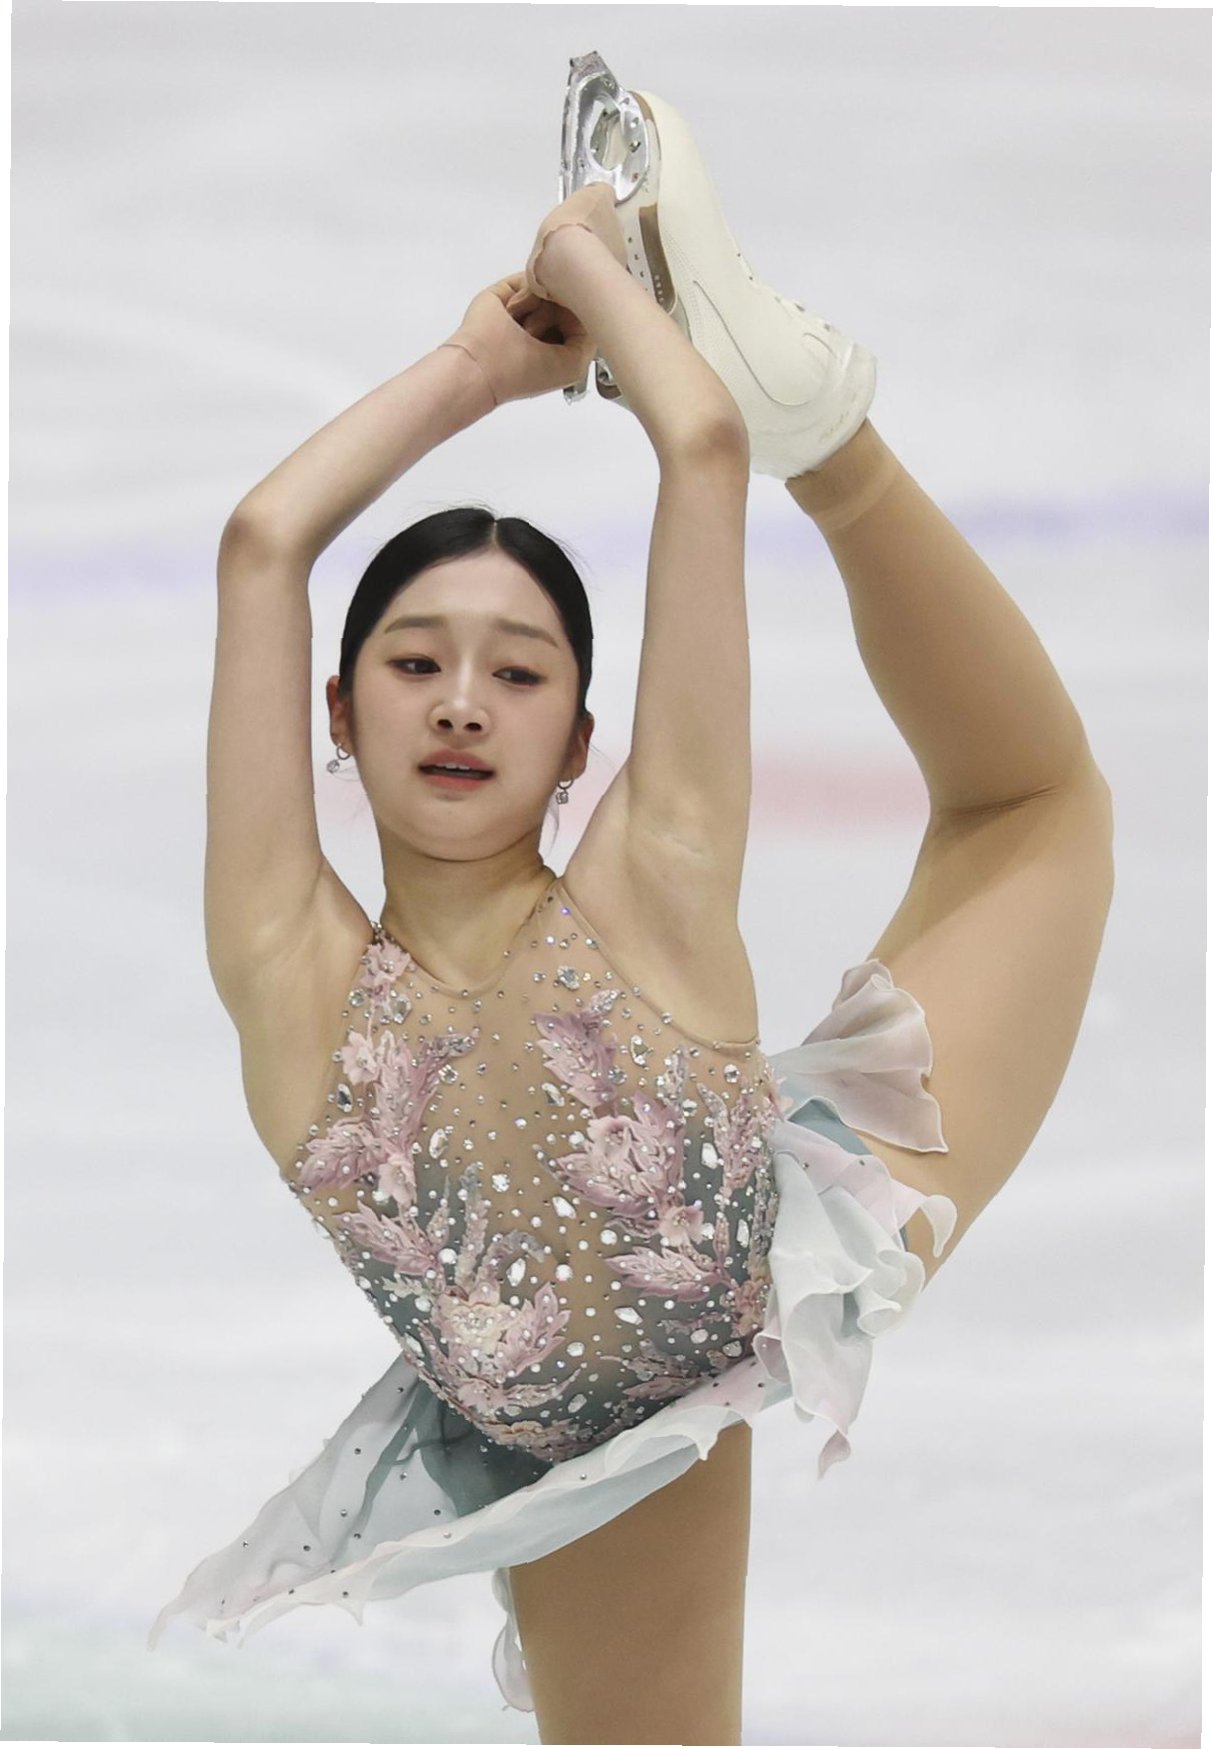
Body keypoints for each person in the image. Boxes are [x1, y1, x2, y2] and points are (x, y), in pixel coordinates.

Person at [147, 140, 1114, 1745]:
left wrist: (588, 264)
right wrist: (485, 359)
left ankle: (835, 438)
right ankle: (833, 441)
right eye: (414, 663)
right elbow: (264, 542)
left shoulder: (643, 873)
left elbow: (702, 445)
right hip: (584, 1449)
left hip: (784, 1232)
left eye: (519, 673)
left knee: (1035, 809)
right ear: (338, 710)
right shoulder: (288, 962)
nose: (464, 702)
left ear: (581, 738)